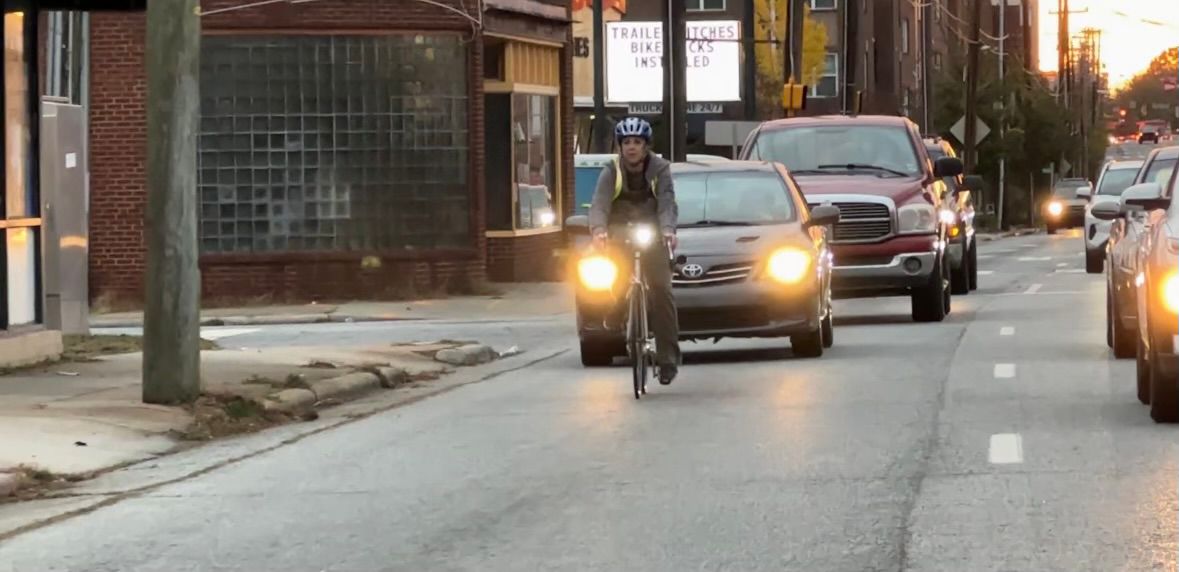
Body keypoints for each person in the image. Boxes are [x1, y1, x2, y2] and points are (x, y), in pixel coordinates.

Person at [587, 117, 682, 385]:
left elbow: (667, 202)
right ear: (620, 146)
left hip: (653, 233)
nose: (631, 147)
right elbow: (600, 203)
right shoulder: (611, 170)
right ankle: (616, 308)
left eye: (637, 142)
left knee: (662, 290)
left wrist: (668, 230)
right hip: (619, 232)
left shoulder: (660, 168)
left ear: (645, 146)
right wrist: (598, 230)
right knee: (612, 278)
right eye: (626, 142)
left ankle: (668, 360)